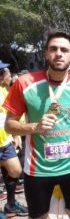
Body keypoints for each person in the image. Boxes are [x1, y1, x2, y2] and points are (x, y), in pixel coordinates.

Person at [3, 31, 70, 219]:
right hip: (38, 169)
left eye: (64, 50)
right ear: (45, 53)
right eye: (53, 49)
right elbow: (9, 125)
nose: (59, 53)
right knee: (39, 216)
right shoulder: (24, 83)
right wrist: (35, 127)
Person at [0, 64, 28, 218]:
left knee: (15, 170)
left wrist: (14, 135)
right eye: (8, 73)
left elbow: (7, 117)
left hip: (5, 142)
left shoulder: (4, 91)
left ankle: (10, 205)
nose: (10, 76)